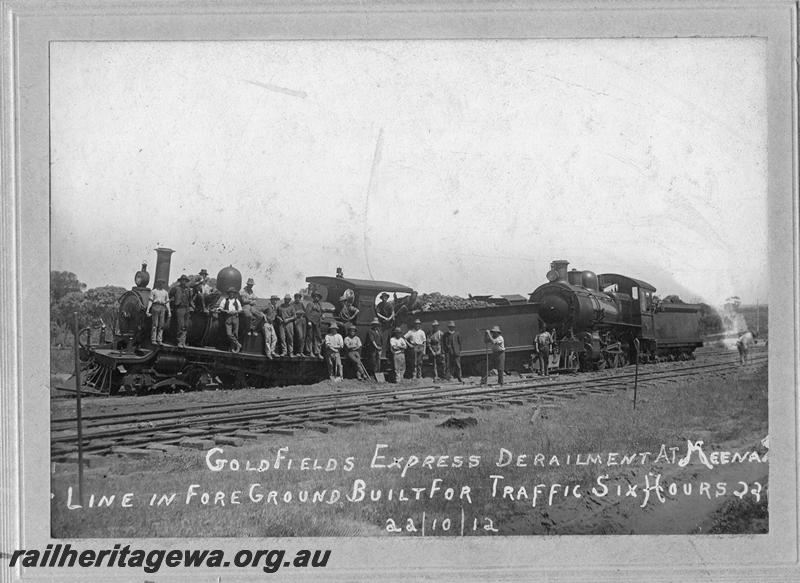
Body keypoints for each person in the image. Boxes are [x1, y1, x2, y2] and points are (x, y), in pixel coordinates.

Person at [169, 274, 193, 348]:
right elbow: (170, 295)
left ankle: (183, 342)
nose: (184, 282)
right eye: (183, 280)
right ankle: (179, 341)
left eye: (185, 281)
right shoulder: (176, 288)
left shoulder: (188, 289)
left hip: (187, 308)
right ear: (180, 281)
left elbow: (190, 299)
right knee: (180, 325)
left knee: (186, 325)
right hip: (179, 308)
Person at [217, 287, 243, 353]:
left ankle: (233, 349)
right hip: (228, 317)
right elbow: (220, 308)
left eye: (233, 293)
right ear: (228, 293)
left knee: (235, 334)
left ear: (234, 294)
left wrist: (236, 311)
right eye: (230, 293)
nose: (232, 294)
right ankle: (238, 344)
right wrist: (226, 311)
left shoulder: (237, 301)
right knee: (229, 334)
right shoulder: (225, 300)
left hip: (235, 317)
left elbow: (240, 310)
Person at [146, 278, 171, 345]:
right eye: (159, 282)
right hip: (155, 307)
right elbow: (150, 301)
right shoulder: (153, 291)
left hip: (162, 307)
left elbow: (167, 302)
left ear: (163, 284)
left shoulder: (165, 293)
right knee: (155, 324)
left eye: (162, 283)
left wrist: (169, 311)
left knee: (161, 325)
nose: (161, 284)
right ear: (157, 283)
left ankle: (159, 340)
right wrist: (148, 309)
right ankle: (153, 339)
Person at [305, 291, 324, 359]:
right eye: (315, 296)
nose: (316, 298)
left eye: (318, 297)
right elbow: (307, 313)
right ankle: (310, 352)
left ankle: (318, 352)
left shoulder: (319, 305)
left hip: (317, 323)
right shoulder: (310, 304)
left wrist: (322, 315)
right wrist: (309, 321)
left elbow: (321, 312)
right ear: (313, 297)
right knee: (310, 337)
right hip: (311, 322)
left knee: (318, 337)